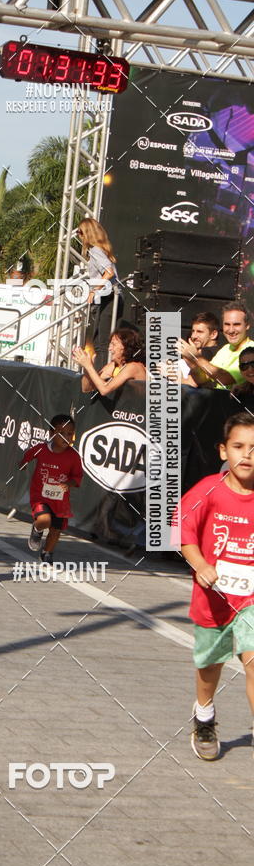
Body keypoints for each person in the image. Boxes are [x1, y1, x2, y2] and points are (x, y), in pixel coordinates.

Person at [179, 412, 254, 760]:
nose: (247, 454)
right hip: (215, 598)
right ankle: (204, 714)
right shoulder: (209, 489)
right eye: (239, 446)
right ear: (223, 451)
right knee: (210, 666)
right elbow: (183, 531)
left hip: (251, 598)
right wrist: (200, 564)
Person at [19, 414, 83, 562]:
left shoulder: (74, 456)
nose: (66, 437)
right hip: (40, 496)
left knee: (56, 530)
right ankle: (37, 529)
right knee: (45, 519)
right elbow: (27, 457)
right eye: (62, 433)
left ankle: (47, 553)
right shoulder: (41, 449)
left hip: (60, 501)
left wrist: (68, 484)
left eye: (70, 434)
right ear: (52, 433)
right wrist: (23, 464)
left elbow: (77, 477)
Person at [78, 219, 121, 369]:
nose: (79, 236)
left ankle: (100, 377)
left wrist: (94, 290)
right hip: (108, 297)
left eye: (80, 232)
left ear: (87, 233)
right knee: (99, 341)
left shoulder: (96, 251)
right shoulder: (98, 251)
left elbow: (109, 272)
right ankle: (100, 373)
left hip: (109, 297)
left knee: (102, 342)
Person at [181, 301, 254, 389]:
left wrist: (196, 358)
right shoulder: (225, 349)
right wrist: (191, 364)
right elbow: (202, 378)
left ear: (247, 326)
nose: (231, 330)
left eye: (236, 324)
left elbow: (225, 378)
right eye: (227, 324)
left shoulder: (252, 350)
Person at [73, 328, 146, 395]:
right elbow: (86, 388)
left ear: (125, 346)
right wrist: (86, 368)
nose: (109, 348)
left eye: (113, 344)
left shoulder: (134, 367)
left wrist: (89, 366)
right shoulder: (113, 366)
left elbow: (104, 390)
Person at [178, 312, 220, 385]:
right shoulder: (221, 352)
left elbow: (194, 383)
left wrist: (169, 374)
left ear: (213, 334)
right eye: (193, 331)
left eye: (199, 332)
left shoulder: (206, 353)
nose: (193, 336)